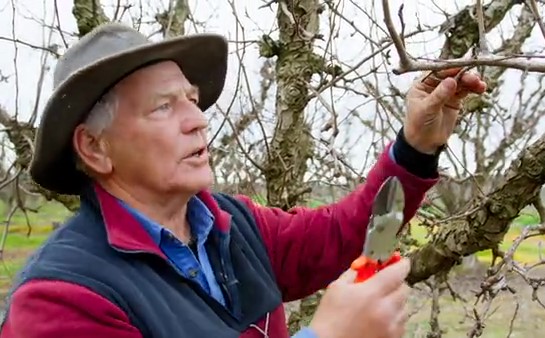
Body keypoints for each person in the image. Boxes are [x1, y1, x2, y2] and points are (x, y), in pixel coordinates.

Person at [0, 23, 486, 338]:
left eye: (192, 99)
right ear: (95, 148)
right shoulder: (62, 301)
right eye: (164, 106)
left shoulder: (232, 226)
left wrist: (414, 147)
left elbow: (345, 232)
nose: (197, 120)